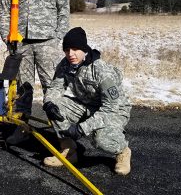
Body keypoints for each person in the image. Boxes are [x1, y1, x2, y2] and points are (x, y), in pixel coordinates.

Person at [0, 0, 70, 144]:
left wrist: (58, 38)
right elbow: (4, 11)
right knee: (22, 89)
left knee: (52, 88)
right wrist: (6, 36)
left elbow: (64, 11)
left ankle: (62, 136)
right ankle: (22, 129)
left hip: (48, 44)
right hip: (21, 45)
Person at [42, 27, 132, 175]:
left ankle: (123, 151)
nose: (70, 54)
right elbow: (55, 87)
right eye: (67, 50)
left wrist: (81, 128)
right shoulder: (66, 64)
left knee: (101, 140)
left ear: (84, 49)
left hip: (114, 110)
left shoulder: (102, 71)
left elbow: (111, 108)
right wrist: (49, 103)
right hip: (85, 105)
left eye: (75, 49)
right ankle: (69, 151)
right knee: (55, 108)